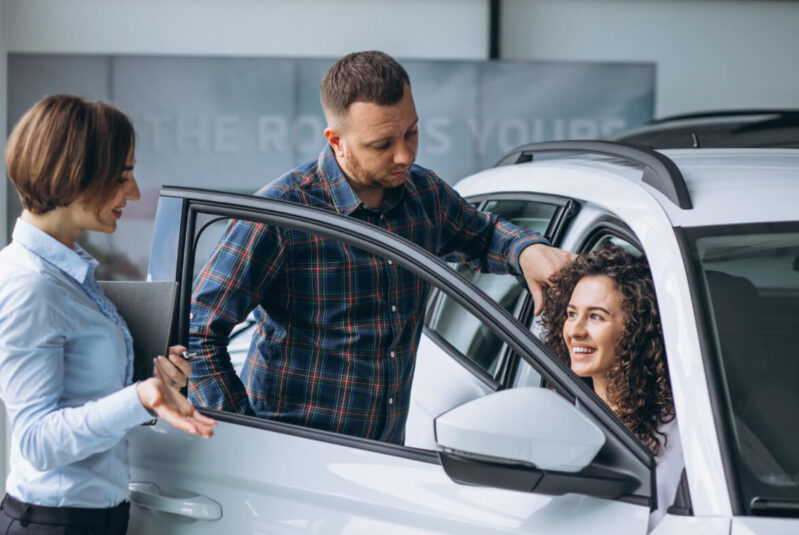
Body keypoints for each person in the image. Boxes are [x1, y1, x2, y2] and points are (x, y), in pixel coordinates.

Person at [188, 50, 572, 444]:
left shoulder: (425, 196)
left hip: (384, 459)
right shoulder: (282, 214)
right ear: (336, 141)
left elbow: (484, 235)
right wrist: (243, 436)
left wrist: (526, 251)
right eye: (381, 143)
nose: (404, 155)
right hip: (291, 454)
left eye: (412, 133)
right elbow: (197, 331)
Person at [0, 94, 216, 535]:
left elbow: (84, 395)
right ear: (72, 175)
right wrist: (139, 400)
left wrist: (153, 383)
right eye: (121, 178)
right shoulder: (30, 286)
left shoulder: (67, 272)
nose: (133, 196)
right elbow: (35, 438)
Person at [539, 246, 681, 531]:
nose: (575, 331)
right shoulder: (560, 413)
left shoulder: (677, 433)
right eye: (571, 314)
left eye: (596, 317)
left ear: (637, 329)